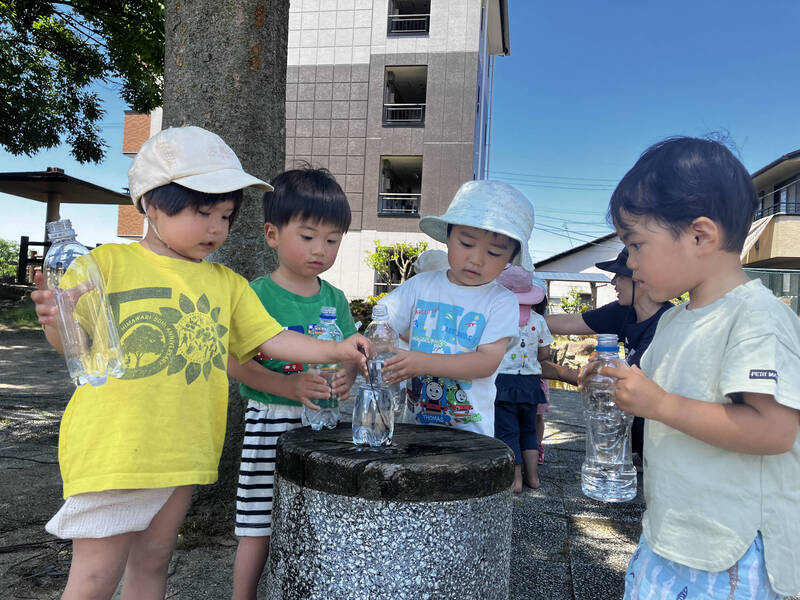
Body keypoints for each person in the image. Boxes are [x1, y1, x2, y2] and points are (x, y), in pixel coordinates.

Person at [30, 126, 368, 600]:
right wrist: (55, 321)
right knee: (95, 575)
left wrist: (336, 348)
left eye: (226, 215)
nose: (216, 228)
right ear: (149, 204)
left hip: (184, 448)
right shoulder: (103, 264)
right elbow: (79, 347)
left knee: (154, 562)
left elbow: (271, 338)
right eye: (201, 211)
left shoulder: (226, 283)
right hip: (116, 446)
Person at [602, 136, 800, 598]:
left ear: (700, 236)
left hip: (734, 549)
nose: (630, 263)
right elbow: (649, 390)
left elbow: (773, 430)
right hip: (674, 533)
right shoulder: (675, 318)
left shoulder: (757, 317)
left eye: (636, 245)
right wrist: (615, 381)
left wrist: (660, 403)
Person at [227, 167, 358, 600]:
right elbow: (234, 363)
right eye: (307, 236)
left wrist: (346, 379)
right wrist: (288, 388)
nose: (321, 249)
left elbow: (347, 356)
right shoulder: (256, 294)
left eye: (332, 240)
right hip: (270, 421)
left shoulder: (335, 299)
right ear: (272, 234)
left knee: (315, 516)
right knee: (258, 524)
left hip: (324, 423)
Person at [378, 180, 535, 438]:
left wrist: (420, 361)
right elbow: (382, 321)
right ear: (448, 237)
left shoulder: (501, 301)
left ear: (510, 259)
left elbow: (486, 362)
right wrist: (376, 348)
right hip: (416, 426)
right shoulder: (420, 285)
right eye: (466, 243)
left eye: (494, 253)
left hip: (471, 434)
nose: (476, 259)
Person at [545, 247, 673, 458]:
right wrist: (519, 321)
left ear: (640, 279)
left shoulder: (667, 323)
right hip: (630, 437)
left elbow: (620, 383)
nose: (613, 282)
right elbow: (569, 321)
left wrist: (558, 372)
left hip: (658, 443)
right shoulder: (624, 311)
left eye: (620, 275)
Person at [494, 266, 553, 491]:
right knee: (528, 430)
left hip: (504, 382)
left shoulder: (499, 318)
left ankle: (515, 481)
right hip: (530, 382)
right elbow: (545, 353)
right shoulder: (539, 320)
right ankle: (534, 478)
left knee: (507, 431)